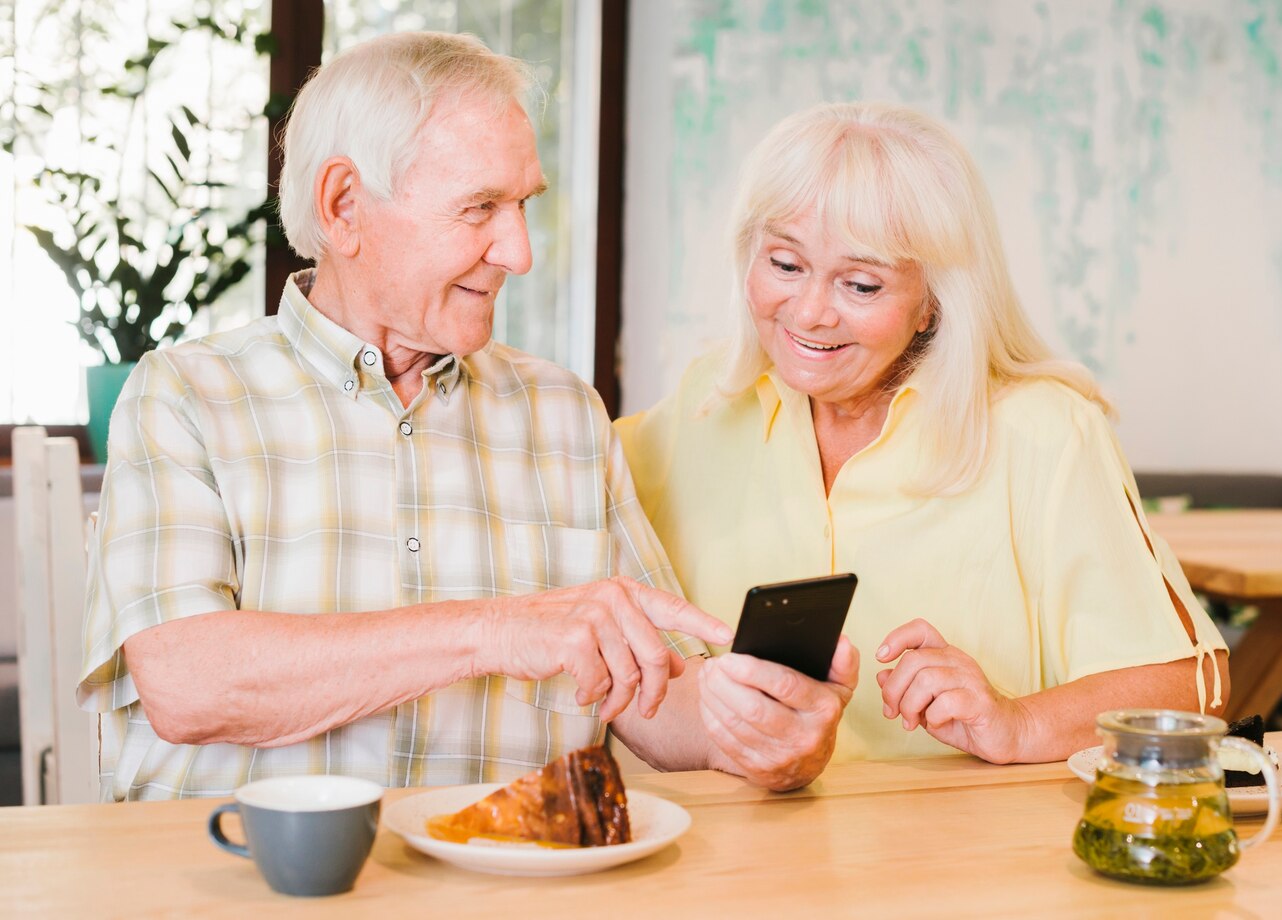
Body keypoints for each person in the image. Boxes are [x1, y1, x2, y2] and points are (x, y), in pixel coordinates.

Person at [80, 33, 854, 802]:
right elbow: (186, 684)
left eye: (521, 206)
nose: (517, 251)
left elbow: (659, 696)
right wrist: (497, 630)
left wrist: (759, 732)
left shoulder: (563, 412)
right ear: (344, 206)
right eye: (480, 207)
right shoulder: (187, 396)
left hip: (519, 881)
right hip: (254, 884)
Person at [614, 102, 1231, 765]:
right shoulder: (707, 400)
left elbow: (1194, 689)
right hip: (730, 858)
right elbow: (551, 505)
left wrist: (1018, 723)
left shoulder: (1044, 433)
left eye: (860, 283)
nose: (810, 313)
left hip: (954, 858)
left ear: (933, 300)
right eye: (785, 266)